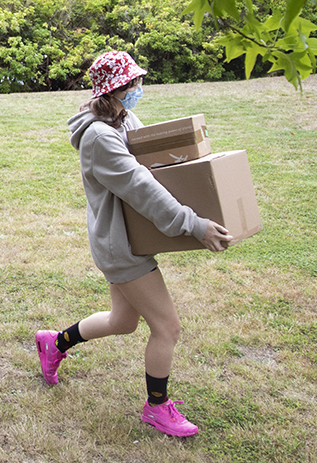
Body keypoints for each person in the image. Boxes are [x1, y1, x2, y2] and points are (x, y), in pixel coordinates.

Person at [35, 51, 232, 437]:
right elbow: (141, 187)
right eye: (133, 85)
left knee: (123, 321)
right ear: (115, 90)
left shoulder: (122, 120)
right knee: (167, 327)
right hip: (120, 246)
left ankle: (53, 343)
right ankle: (156, 408)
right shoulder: (99, 137)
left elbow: (154, 157)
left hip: (130, 238)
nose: (138, 90)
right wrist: (195, 225)